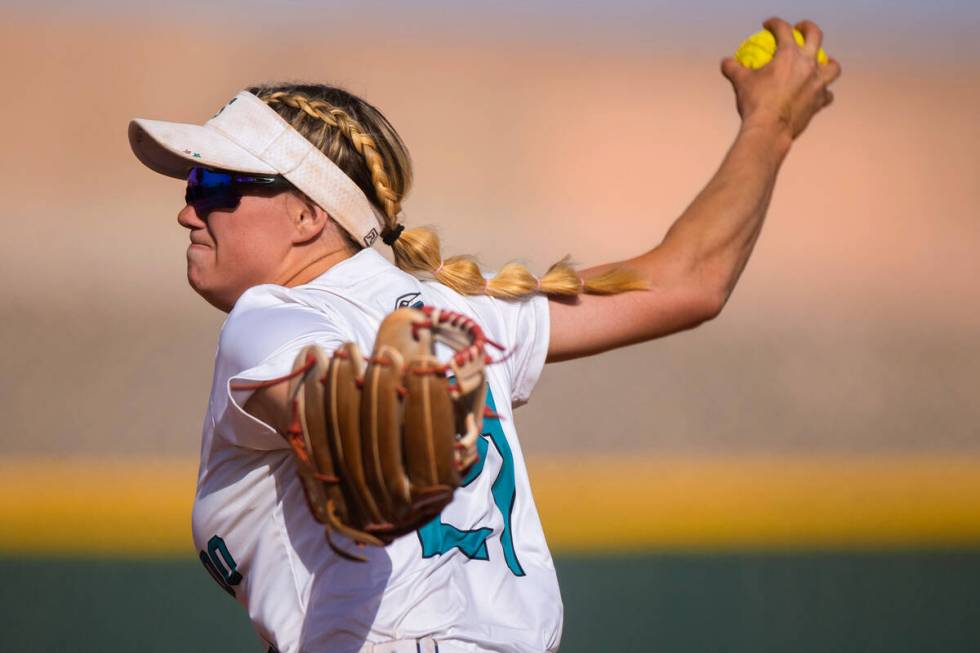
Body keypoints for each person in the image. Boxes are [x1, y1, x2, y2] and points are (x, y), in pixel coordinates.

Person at [128, 17, 840, 653]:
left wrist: (351, 432)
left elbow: (318, 393)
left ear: (310, 214)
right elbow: (687, 279)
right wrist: (770, 123)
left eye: (215, 182)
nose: (190, 209)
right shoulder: (466, 308)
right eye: (193, 181)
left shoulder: (271, 314)